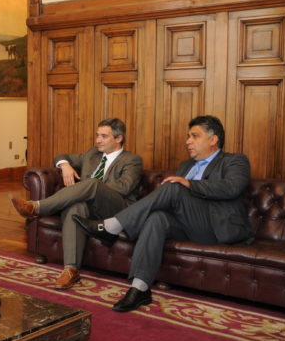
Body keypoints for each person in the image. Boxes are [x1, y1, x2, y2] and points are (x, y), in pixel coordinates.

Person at [74, 115, 253, 312]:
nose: (188, 141)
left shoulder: (234, 160)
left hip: (216, 227)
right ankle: (140, 288)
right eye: (188, 136)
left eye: (194, 136)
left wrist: (189, 184)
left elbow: (232, 187)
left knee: (174, 186)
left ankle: (112, 226)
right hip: (188, 225)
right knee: (156, 218)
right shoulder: (186, 165)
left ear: (213, 139)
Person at [10, 118, 143, 290]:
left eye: (104, 136)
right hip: (89, 208)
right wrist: (65, 165)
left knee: (93, 184)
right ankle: (71, 270)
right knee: (75, 209)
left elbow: (124, 188)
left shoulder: (132, 160)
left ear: (119, 138)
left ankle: (37, 207)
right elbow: (61, 156)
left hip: (116, 209)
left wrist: (92, 187)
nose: (98, 140)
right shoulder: (92, 154)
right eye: (97, 135)